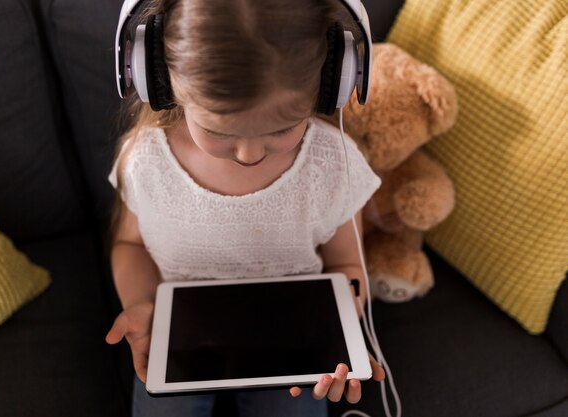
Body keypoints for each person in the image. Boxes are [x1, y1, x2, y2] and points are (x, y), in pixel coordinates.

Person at [105, 0, 386, 416]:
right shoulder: (146, 161)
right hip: (178, 342)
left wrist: (335, 337)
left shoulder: (330, 165)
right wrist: (142, 305)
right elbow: (129, 244)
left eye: (282, 128)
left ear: (331, 84)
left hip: (293, 351)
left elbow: (348, 266)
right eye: (219, 130)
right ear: (159, 81)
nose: (250, 152)